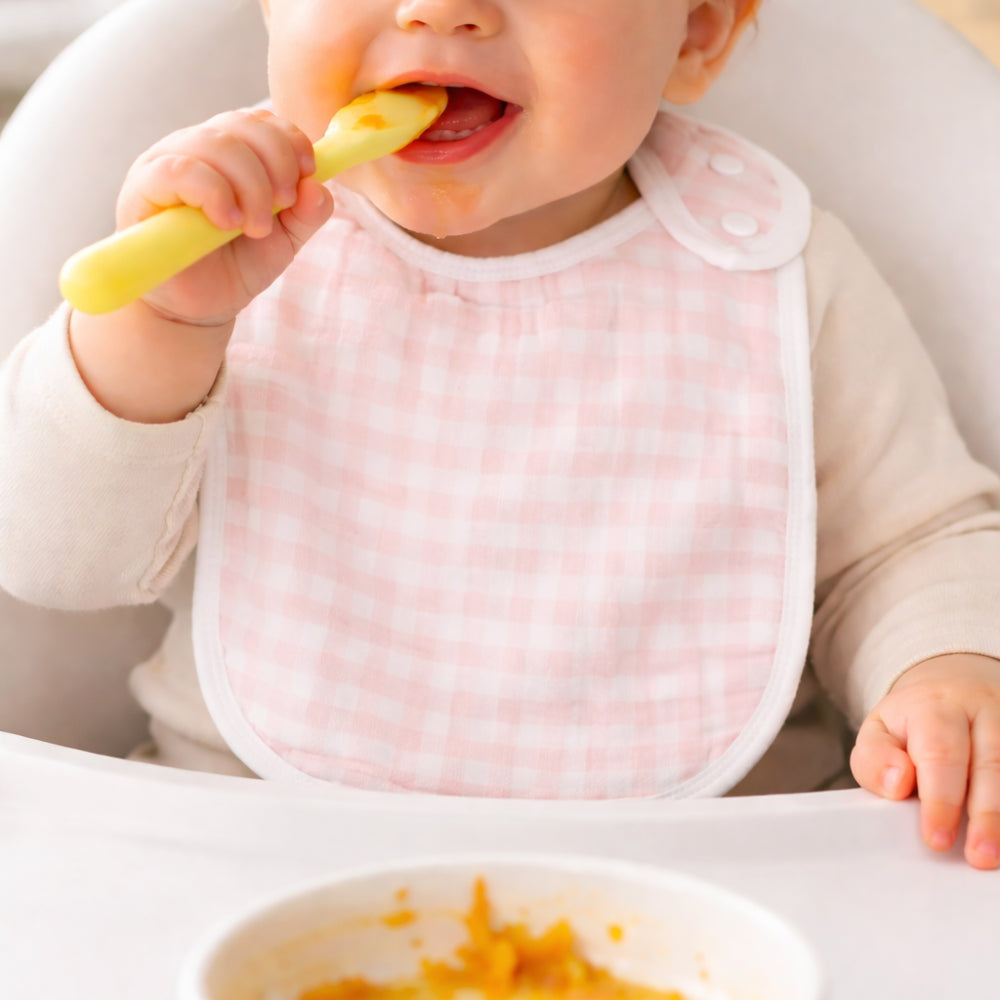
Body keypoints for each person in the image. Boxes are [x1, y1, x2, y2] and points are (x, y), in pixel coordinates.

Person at [1, 0, 999, 869]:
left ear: (693, 32)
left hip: (721, 873)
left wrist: (942, 668)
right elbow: (49, 563)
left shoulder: (771, 266)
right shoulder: (216, 244)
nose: (441, 9)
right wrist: (156, 328)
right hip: (245, 850)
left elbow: (904, 545)